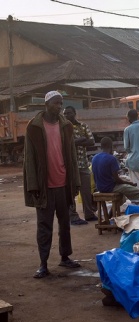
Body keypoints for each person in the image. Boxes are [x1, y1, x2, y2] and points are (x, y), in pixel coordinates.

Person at [24, 91, 81, 279]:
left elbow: (72, 156)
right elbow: (29, 160)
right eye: (56, 103)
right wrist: (33, 186)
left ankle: (65, 257)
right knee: (44, 226)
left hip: (63, 184)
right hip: (44, 186)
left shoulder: (66, 126)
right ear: (47, 104)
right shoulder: (33, 127)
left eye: (61, 103)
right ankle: (43, 263)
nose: (59, 107)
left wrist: (75, 182)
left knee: (65, 224)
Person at [63, 106, 97, 225]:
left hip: (83, 164)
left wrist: (74, 142)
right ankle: (73, 216)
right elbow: (65, 143)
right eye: (65, 114)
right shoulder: (63, 128)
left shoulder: (83, 126)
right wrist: (82, 139)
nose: (67, 115)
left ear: (75, 113)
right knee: (71, 191)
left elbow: (92, 141)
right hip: (70, 165)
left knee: (86, 191)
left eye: (69, 113)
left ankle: (89, 214)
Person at [92, 137, 139, 203]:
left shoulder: (94, 158)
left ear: (101, 147)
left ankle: (111, 212)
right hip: (110, 188)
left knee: (122, 195)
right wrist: (129, 183)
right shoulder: (111, 158)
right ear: (111, 146)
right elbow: (117, 179)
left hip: (100, 187)